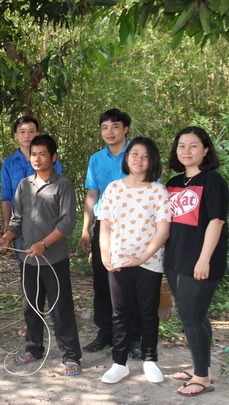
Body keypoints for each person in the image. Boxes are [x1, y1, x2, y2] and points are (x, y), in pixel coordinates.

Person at [0, 134, 82, 376]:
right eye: (34, 154)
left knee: (61, 307)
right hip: (28, 257)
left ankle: (71, 354)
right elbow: (17, 220)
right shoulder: (24, 185)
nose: (37, 158)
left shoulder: (63, 185)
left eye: (43, 154)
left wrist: (44, 243)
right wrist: (7, 237)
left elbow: (67, 223)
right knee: (30, 306)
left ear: (54, 157)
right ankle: (33, 348)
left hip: (53, 259)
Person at [98, 137, 171, 384]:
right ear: (127, 157)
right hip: (117, 261)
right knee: (119, 313)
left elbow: (163, 231)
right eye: (135, 154)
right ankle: (119, 363)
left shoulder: (158, 191)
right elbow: (105, 226)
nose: (139, 160)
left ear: (153, 161)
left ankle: (150, 360)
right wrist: (105, 255)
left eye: (145, 156)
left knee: (148, 312)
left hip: (148, 262)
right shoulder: (114, 188)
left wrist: (141, 257)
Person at [165, 127, 229, 397]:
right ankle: (201, 368)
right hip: (175, 258)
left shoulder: (213, 181)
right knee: (195, 316)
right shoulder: (174, 182)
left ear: (205, 150)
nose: (187, 151)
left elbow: (216, 221)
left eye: (193, 146)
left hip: (200, 261)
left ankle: (202, 377)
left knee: (191, 317)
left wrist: (203, 260)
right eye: (182, 145)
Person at [80, 108, 141, 356]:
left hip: (133, 229)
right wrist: (86, 228)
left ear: (126, 128)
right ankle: (105, 331)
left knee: (132, 283)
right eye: (104, 127)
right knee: (102, 283)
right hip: (104, 227)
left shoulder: (137, 155)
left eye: (115, 126)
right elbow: (93, 194)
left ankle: (133, 337)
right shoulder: (96, 159)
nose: (109, 132)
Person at [0, 116, 62, 335]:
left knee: (52, 275)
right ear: (16, 135)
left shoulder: (51, 160)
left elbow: (59, 194)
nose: (27, 136)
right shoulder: (9, 163)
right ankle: (32, 321)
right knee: (28, 276)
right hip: (22, 229)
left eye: (32, 131)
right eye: (22, 131)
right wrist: (7, 232)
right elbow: (6, 198)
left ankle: (56, 319)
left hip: (48, 229)